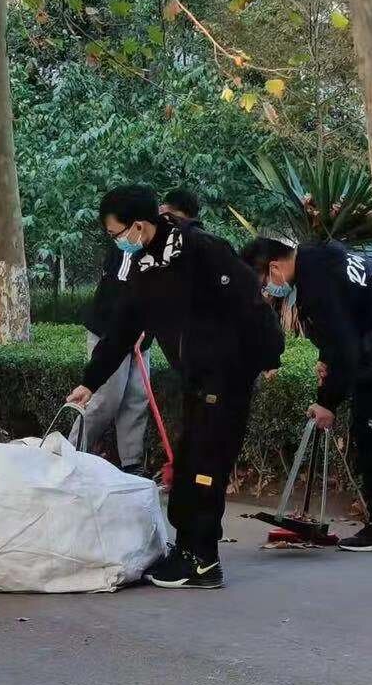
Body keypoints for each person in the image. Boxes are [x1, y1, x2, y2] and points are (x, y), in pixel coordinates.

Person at [69, 185, 285, 589]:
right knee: (187, 465)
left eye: (117, 233)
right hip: (196, 377)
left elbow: (251, 305)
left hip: (227, 375)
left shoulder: (201, 249)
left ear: (138, 225)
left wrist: (266, 356)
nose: (117, 242)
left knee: (207, 467)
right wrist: (90, 381)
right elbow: (123, 328)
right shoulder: (146, 266)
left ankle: (203, 559)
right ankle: (185, 550)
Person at [240, 236, 372, 552]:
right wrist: (327, 357)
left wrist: (327, 402)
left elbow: (345, 346)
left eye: (262, 283)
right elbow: (342, 324)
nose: (267, 290)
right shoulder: (317, 257)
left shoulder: (315, 283)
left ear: (274, 268)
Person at [77, 237, 153, 476]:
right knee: (106, 397)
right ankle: (71, 452)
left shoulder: (171, 248)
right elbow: (122, 290)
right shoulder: (131, 243)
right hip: (110, 333)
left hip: (140, 336)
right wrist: (133, 326)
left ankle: (132, 463)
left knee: (137, 396)